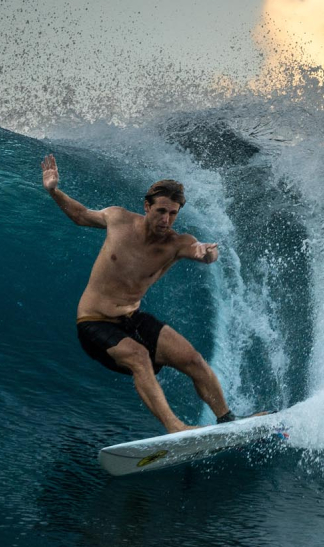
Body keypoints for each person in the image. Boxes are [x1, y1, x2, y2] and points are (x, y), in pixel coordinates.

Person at [41, 153, 238, 433]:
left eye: (173, 214)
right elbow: (81, 216)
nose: (166, 219)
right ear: (147, 206)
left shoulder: (177, 244)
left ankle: (227, 420)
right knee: (139, 357)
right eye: (161, 211)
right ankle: (175, 428)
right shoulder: (118, 219)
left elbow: (206, 254)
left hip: (131, 318)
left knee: (192, 359)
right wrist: (53, 190)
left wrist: (209, 253)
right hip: (93, 322)